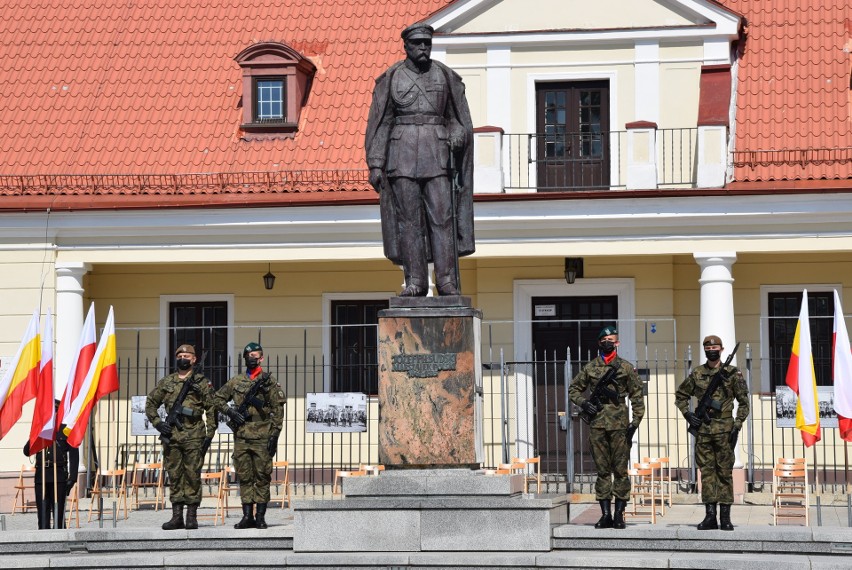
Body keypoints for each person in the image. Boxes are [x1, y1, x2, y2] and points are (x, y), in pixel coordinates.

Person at [365, 23, 475, 297]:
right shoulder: (392, 78)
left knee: (442, 220)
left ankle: (447, 281)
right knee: (409, 223)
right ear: (406, 46)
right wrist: (376, 163)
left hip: (438, 158)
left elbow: (457, 119)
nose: (424, 48)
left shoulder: (444, 76)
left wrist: (458, 132)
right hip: (400, 157)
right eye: (418, 44)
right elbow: (381, 123)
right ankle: (415, 281)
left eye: (427, 43)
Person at [568, 325, 645, 530]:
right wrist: (584, 403)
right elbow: (574, 388)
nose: (608, 342)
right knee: (602, 471)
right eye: (605, 340)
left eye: (612, 339)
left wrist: (635, 423)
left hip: (620, 425)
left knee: (620, 471)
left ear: (617, 343)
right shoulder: (591, 368)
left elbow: (637, 396)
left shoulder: (626, 368)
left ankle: (619, 514)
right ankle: (605, 515)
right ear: (599, 343)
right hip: (598, 425)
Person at [675, 335, 750, 531]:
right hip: (704, 431)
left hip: (725, 430)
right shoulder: (697, 373)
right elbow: (681, 395)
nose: (712, 350)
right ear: (705, 351)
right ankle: (710, 516)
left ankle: (725, 517)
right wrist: (688, 414)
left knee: (724, 472)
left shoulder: (733, 374)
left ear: (722, 349)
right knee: (707, 473)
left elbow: (744, 403)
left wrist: (737, 425)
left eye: (715, 347)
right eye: (708, 348)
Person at [214, 342, 285, 529]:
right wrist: (230, 413)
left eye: (255, 355)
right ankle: (247, 516)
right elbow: (218, 399)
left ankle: (260, 516)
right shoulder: (236, 381)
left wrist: (274, 436)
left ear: (261, 358)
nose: (251, 358)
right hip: (242, 436)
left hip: (262, 435)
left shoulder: (269, 381)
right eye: (248, 356)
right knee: (244, 476)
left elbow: (278, 411)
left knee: (262, 476)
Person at [146, 343, 216, 530]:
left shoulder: (201, 382)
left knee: (192, 475)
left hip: (194, 435)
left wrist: (210, 433)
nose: (183, 359)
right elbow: (151, 403)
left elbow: (211, 408)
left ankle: (191, 516)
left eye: (187, 356)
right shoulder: (167, 382)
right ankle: (177, 516)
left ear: (194, 360)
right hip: (173, 436)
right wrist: (158, 423)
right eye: (180, 356)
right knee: (175, 474)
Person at [23, 415, 79, 530]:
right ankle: (44, 542)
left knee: (58, 514)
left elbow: (74, 453)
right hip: (41, 475)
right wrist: (35, 434)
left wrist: (72, 478)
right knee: (42, 513)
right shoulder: (41, 429)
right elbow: (27, 451)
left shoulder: (65, 429)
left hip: (58, 476)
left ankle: (60, 541)